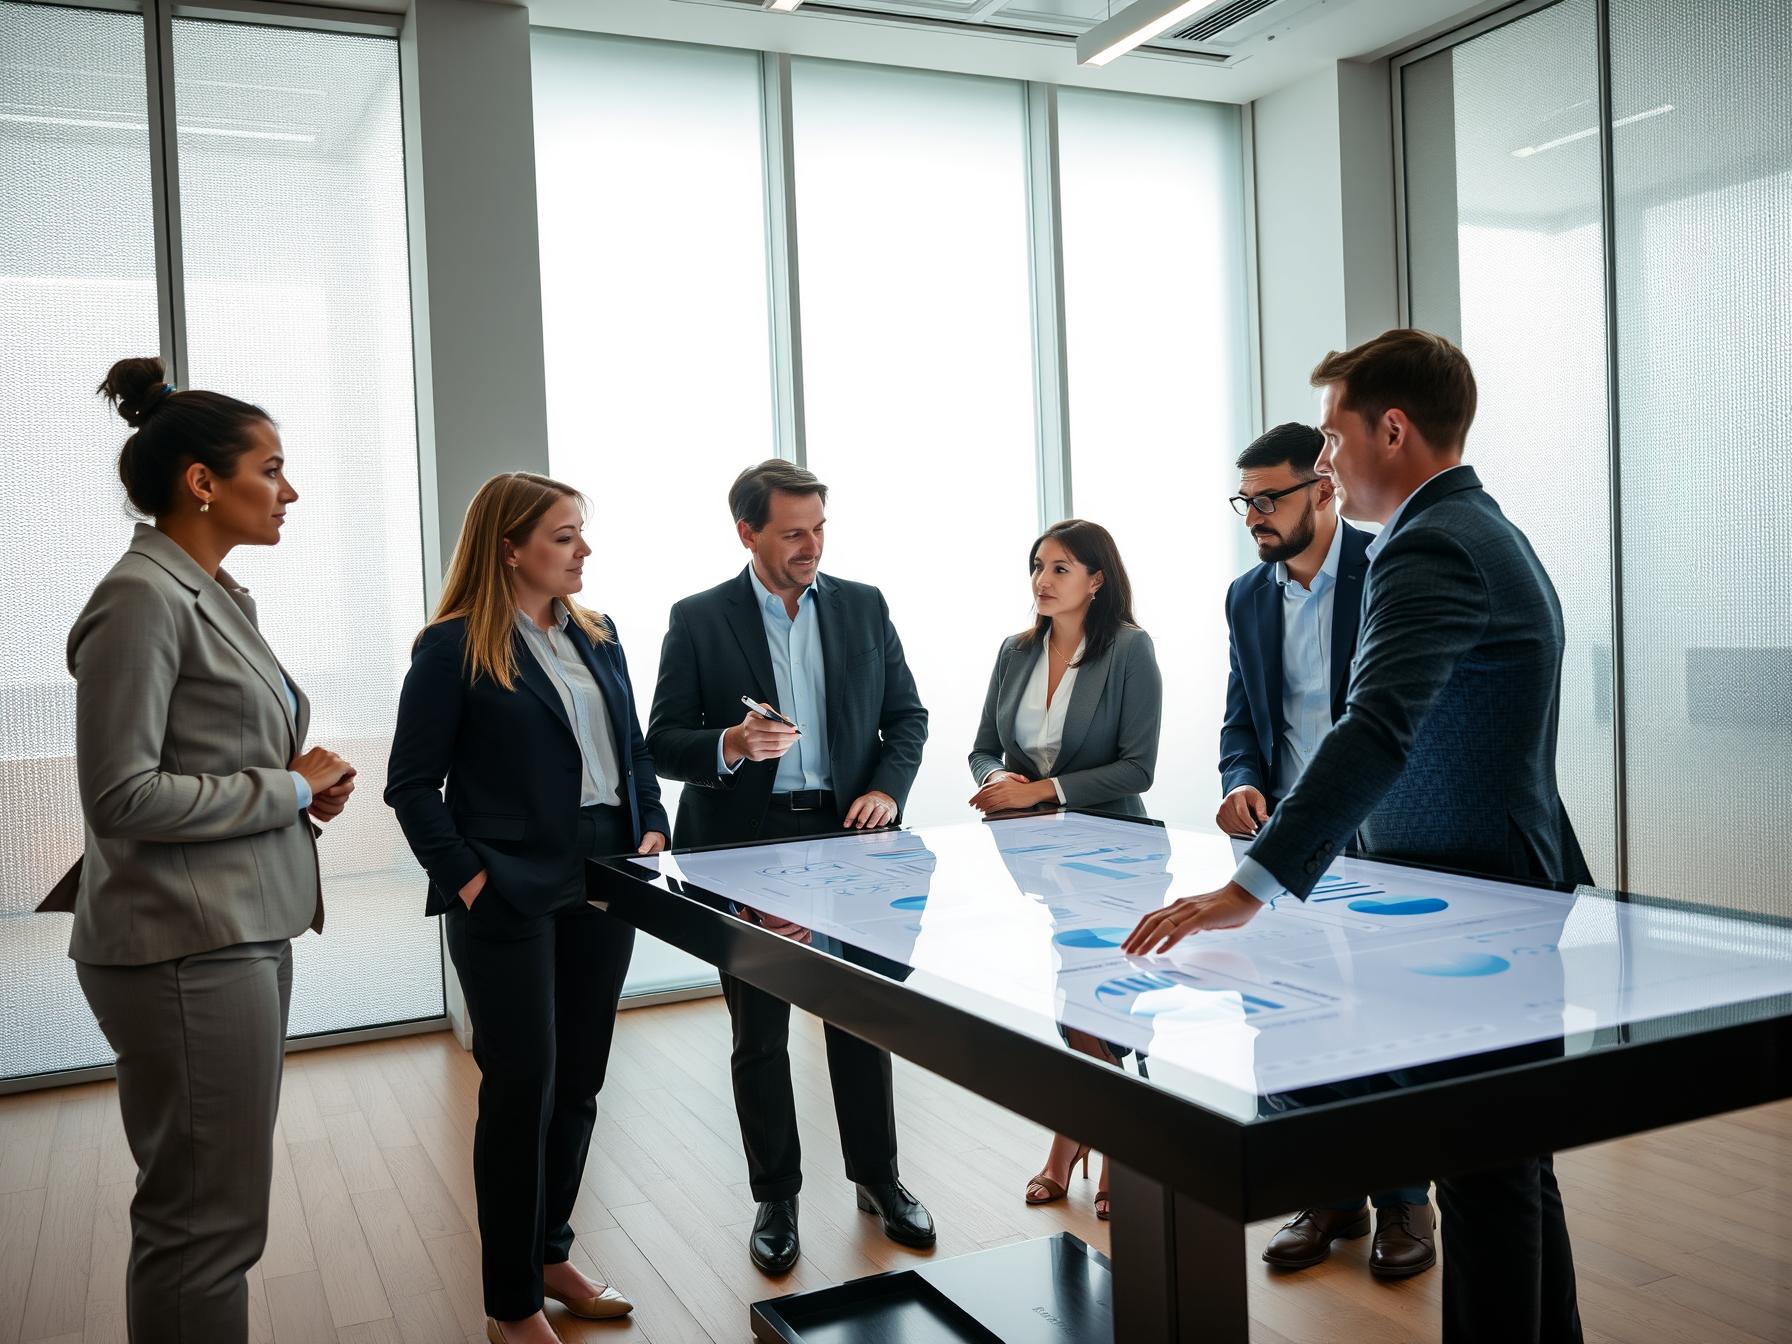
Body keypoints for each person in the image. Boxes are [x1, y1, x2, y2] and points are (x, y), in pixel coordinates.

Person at [1126, 330, 1588, 1344]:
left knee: (1484, 1177)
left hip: (1472, 898)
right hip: (1490, 885)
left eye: (1333, 441)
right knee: (1504, 1167)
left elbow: (1373, 728)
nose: (1326, 463)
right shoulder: (1477, 525)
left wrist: (1246, 888)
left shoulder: (1431, 541)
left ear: (1392, 428)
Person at [41, 356, 356, 1344]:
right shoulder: (141, 598)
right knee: (202, 1223)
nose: (289, 490)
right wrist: (289, 786)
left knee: (219, 1211)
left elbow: (209, 762)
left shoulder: (215, 594)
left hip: (237, 927)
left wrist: (296, 797)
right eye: (271, 467)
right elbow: (121, 795)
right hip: (185, 943)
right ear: (202, 482)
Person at [385, 473, 668, 1344]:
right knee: (524, 1089)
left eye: (581, 534)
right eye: (564, 536)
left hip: (606, 874)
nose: (583, 550)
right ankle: (511, 1303)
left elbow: (630, 747)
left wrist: (651, 821)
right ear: (510, 547)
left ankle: (550, 1253)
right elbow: (410, 785)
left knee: (579, 1079)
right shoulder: (453, 645)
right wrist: (471, 879)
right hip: (507, 887)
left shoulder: (599, 632)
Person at [647, 459, 933, 1276]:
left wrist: (885, 787)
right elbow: (663, 740)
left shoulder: (865, 605)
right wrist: (730, 745)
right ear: (748, 532)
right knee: (760, 1030)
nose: (811, 546)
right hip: (746, 847)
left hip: (849, 838)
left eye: (819, 529)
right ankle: (776, 1197)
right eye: (793, 532)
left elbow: (906, 716)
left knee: (861, 1015)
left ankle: (879, 1179)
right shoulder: (698, 619)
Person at [1218, 424, 1434, 1277]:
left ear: (1324, 490)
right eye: (1246, 501)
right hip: (1287, 841)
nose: (1254, 516)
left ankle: (1405, 1205)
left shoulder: (1390, 570)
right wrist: (1240, 777)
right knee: (1290, 1016)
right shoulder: (1244, 595)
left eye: (1269, 498)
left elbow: (1397, 723)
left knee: (1381, 1021)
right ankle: (1329, 1195)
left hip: (1383, 836)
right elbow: (1244, 717)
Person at [968, 518, 1161, 1219]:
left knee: (1107, 1002)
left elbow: (1138, 767)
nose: (1042, 581)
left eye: (1060, 568)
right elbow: (984, 747)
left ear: (1096, 579)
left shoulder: (1130, 652)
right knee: (1074, 999)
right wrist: (998, 781)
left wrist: (1039, 791)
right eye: (1038, 567)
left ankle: (1092, 1148)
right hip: (1038, 859)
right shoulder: (1014, 652)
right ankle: (1084, 1139)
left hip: (1115, 855)